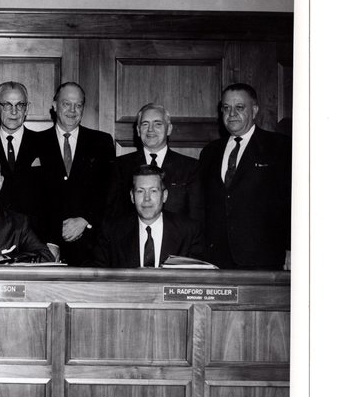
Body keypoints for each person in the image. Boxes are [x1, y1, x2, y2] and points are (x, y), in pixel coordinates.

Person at [199, 83, 291, 269]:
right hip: (216, 260)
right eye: (226, 108)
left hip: (265, 258)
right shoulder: (210, 152)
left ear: (254, 110)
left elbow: (293, 203)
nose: (232, 113)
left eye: (239, 107)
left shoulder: (279, 147)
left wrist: (292, 249)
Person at [37, 81, 115, 265]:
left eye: (78, 105)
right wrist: (50, 240)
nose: (72, 110)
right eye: (66, 104)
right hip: (47, 248)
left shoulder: (101, 142)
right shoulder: (36, 142)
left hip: (91, 247)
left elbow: (110, 190)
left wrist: (85, 220)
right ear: (55, 106)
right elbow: (32, 200)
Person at [0, 81, 50, 247]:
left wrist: (53, 242)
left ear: (27, 109)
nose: (14, 111)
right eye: (7, 105)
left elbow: (55, 196)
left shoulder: (46, 144)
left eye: (20, 105)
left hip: (35, 240)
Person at [91, 164, 204, 268]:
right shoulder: (111, 231)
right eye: (140, 191)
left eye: (153, 191)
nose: (147, 199)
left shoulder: (189, 231)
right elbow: (95, 272)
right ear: (132, 196)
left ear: (164, 196)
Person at [105, 102, 203, 221]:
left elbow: (196, 218)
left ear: (169, 129)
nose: (150, 129)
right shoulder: (120, 166)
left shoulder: (190, 168)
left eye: (157, 124)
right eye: (145, 124)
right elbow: (111, 216)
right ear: (138, 130)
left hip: (176, 238)